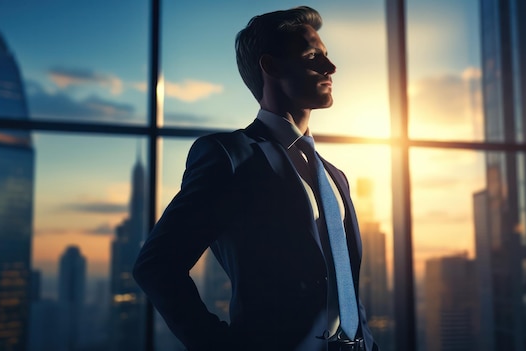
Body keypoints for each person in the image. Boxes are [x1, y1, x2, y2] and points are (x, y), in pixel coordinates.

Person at [133, 6, 378, 351]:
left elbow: (344, 285)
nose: (331, 67)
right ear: (271, 66)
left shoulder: (334, 176)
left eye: (326, 56)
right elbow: (156, 266)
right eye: (313, 56)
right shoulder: (229, 156)